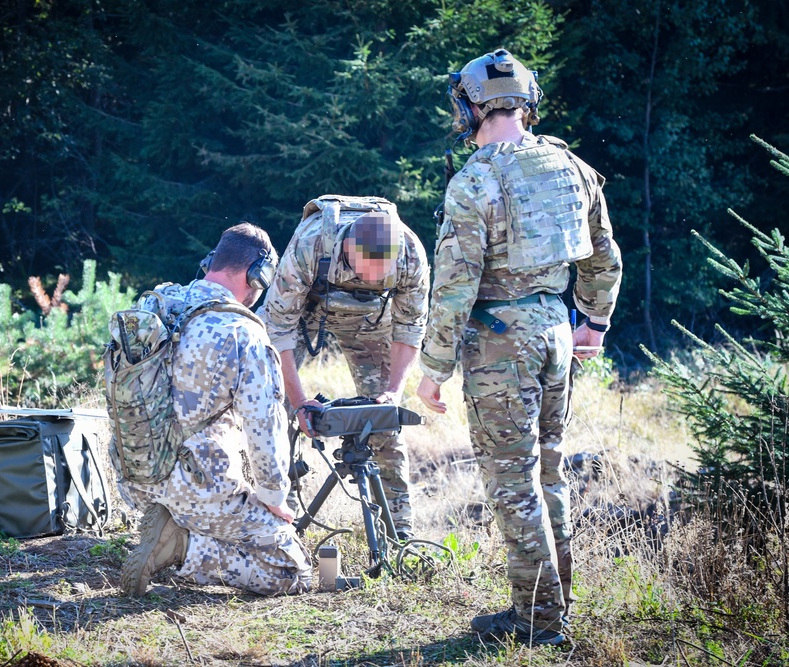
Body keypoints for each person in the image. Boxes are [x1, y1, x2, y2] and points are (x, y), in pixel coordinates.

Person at [416, 49, 622, 645]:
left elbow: (454, 288)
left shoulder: (475, 179)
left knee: (514, 482)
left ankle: (538, 621)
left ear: (469, 106)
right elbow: (604, 256)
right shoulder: (571, 167)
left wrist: (432, 370)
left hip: (501, 344)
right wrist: (594, 324)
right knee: (549, 472)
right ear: (527, 102)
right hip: (557, 329)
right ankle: (553, 606)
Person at [118, 222, 312, 597]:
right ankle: (182, 546)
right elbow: (265, 432)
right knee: (293, 573)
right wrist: (274, 500)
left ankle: (175, 524)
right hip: (198, 489)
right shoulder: (243, 332)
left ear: (212, 261)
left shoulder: (154, 305)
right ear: (259, 274)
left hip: (137, 478)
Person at [260, 196, 430, 540]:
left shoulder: (410, 253)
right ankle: (282, 527)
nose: (369, 279)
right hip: (307, 311)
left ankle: (399, 535)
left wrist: (393, 393)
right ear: (347, 249)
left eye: (379, 275)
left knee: (384, 421)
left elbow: (410, 327)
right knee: (272, 407)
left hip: (370, 319)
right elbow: (277, 329)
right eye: (363, 272)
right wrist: (298, 402)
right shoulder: (310, 245)